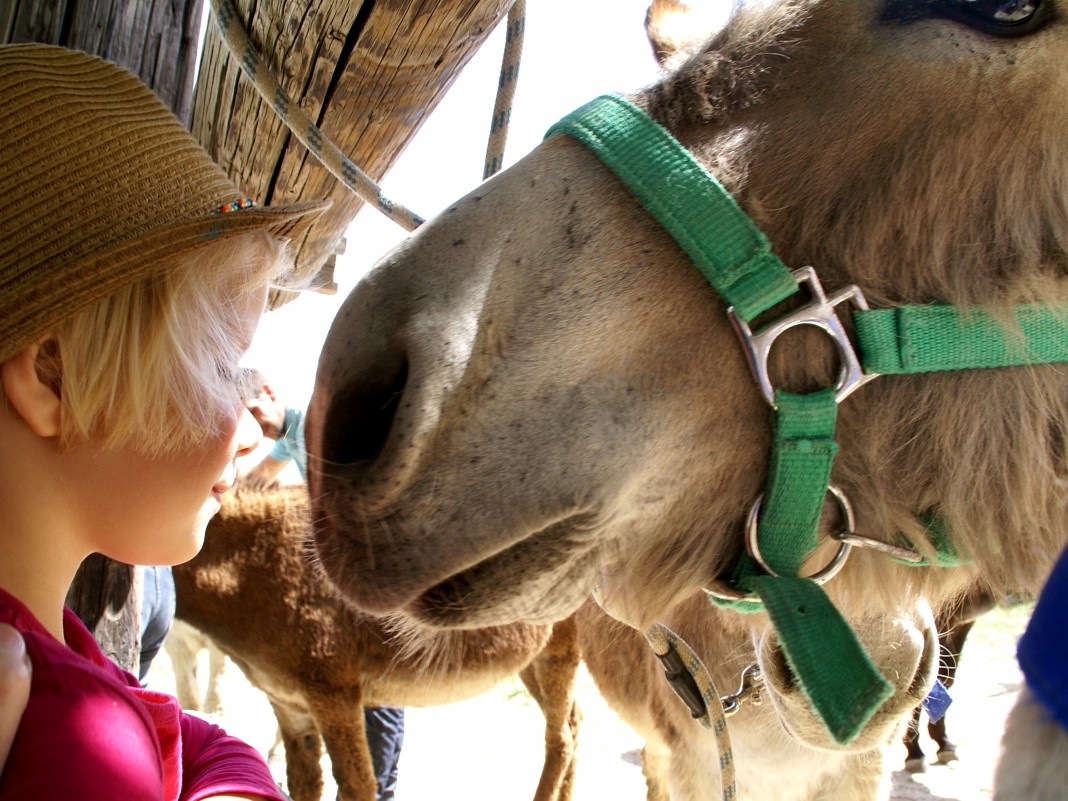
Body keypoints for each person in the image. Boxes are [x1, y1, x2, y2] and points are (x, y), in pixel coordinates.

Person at [0, 43, 330, 799]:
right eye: (220, 367)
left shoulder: (59, 662)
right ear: (52, 374)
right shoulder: (73, 739)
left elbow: (195, 739)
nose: (250, 429)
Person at [238, 370, 406, 801]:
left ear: (271, 394)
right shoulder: (286, 438)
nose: (254, 425)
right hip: (340, 578)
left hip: (373, 567)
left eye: (255, 410)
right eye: (244, 419)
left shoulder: (320, 421)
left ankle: (379, 790)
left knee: (381, 688)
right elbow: (256, 481)